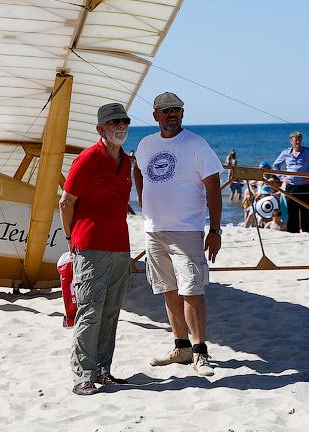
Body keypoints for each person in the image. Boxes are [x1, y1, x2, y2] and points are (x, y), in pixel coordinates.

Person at [134, 92, 222, 377]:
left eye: (177, 110)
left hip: (186, 229)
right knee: (167, 290)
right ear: (155, 115)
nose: (172, 114)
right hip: (154, 230)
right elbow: (137, 171)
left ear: (183, 114)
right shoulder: (146, 144)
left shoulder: (197, 144)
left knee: (192, 290)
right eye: (166, 110)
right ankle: (181, 347)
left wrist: (216, 230)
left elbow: (213, 188)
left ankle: (200, 352)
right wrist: (143, 200)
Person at [59, 102, 134, 396]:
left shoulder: (126, 161)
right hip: (90, 246)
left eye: (124, 121)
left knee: (112, 310)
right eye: (114, 122)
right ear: (101, 129)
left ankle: (103, 370)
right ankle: (83, 375)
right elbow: (66, 201)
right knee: (90, 310)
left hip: (119, 245)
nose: (120, 126)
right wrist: (71, 237)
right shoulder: (89, 157)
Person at [273, 131, 309, 233]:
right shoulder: (285, 153)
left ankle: (308, 233)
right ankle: (293, 234)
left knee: (306, 212)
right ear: (291, 141)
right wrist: (281, 178)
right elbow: (276, 165)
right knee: (292, 213)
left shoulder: (307, 152)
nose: (298, 142)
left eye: (299, 140)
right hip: (291, 186)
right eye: (295, 140)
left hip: (304, 186)